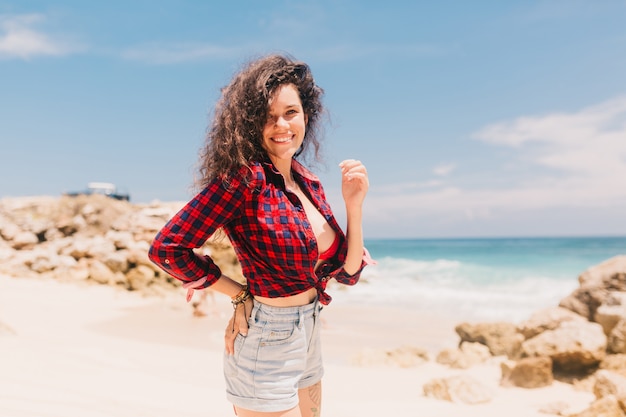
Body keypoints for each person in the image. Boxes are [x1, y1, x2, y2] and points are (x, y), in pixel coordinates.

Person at [149, 53, 373, 417]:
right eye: (267, 116)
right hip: (267, 340)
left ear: (306, 115)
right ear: (248, 123)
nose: (281, 124)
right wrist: (238, 294)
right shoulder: (244, 180)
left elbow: (348, 273)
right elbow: (168, 249)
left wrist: (355, 205)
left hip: (310, 333)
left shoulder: (308, 183)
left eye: (290, 112)